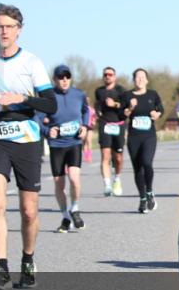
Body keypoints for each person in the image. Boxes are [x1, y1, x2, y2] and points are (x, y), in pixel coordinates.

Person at [0, 4, 57, 290]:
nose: (4, 31)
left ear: (19, 29)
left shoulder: (31, 63)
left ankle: (28, 259)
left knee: (29, 210)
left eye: (9, 26)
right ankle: (2, 269)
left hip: (26, 137)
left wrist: (22, 98)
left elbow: (50, 104)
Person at [40, 65, 90, 233]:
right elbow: (37, 118)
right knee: (59, 184)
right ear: (54, 80)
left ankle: (74, 208)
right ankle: (65, 216)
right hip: (57, 146)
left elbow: (86, 111)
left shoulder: (79, 94)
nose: (64, 80)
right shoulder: (49, 97)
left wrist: (85, 126)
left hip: (74, 143)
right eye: (61, 77)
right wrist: (47, 131)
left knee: (75, 179)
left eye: (67, 76)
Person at [121, 68, 163, 213]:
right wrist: (130, 107)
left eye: (142, 77)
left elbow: (160, 109)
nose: (140, 80)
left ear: (146, 80)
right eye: (137, 77)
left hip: (149, 136)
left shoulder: (153, 94)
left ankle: (150, 191)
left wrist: (157, 114)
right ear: (133, 80)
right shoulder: (127, 96)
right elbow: (123, 114)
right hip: (133, 137)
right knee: (137, 169)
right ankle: (142, 199)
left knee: (147, 162)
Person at [94, 67, 126, 197]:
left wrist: (115, 104)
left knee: (118, 157)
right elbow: (97, 104)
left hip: (118, 124)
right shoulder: (99, 91)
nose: (108, 76)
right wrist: (97, 112)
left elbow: (125, 107)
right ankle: (107, 184)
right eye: (105, 74)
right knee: (105, 155)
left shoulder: (121, 90)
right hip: (105, 124)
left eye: (110, 74)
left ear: (115, 76)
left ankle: (117, 179)